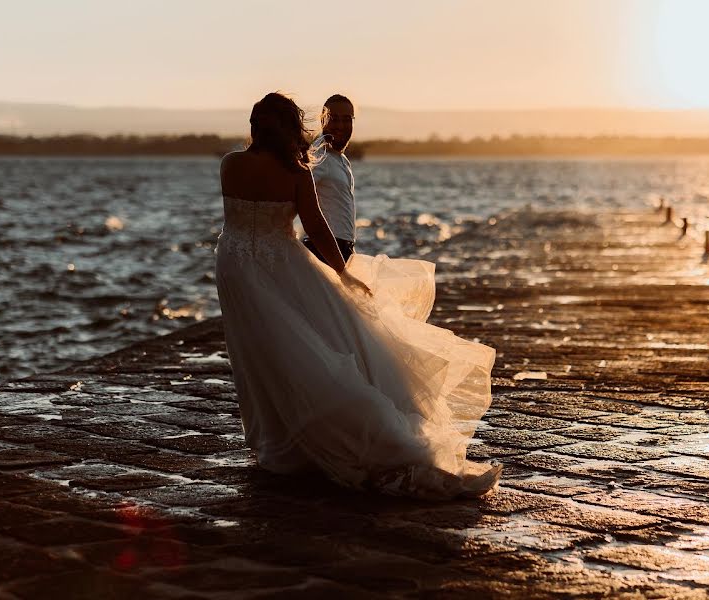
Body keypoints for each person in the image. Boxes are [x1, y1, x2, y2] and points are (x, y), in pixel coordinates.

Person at [214, 92, 501, 499]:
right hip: (283, 265)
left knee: (258, 353)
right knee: (302, 349)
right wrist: (343, 276)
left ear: (255, 125)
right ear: (292, 127)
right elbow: (316, 228)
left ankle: (280, 439)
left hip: (235, 267)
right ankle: (309, 434)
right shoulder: (297, 173)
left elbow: (241, 219)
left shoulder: (231, 165)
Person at [302, 94, 357, 265]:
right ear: (322, 120)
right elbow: (295, 198)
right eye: (334, 119)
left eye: (347, 120)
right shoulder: (319, 155)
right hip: (324, 252)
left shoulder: (342, 159)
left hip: (343, 250)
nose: (341, 126)